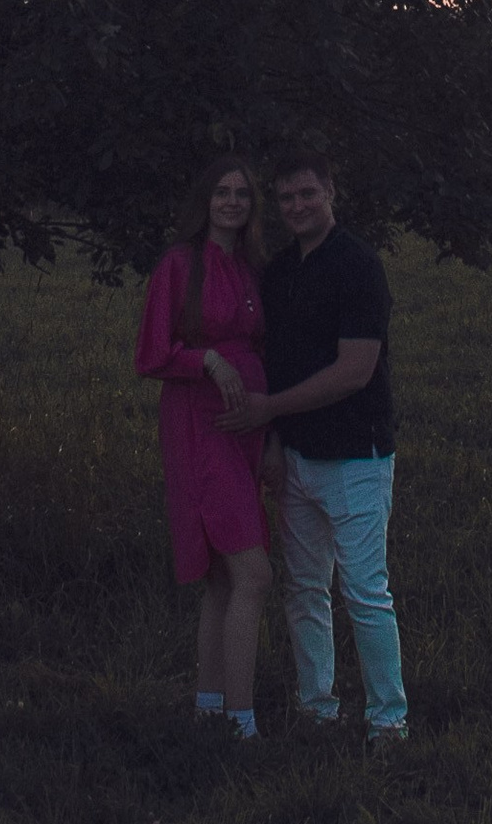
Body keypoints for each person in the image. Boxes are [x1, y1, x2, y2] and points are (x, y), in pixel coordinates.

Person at [222, 147, 407, 745]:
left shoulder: (357, 265)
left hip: (355, 455)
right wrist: (275, 441)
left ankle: (388, 721)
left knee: (365, 592)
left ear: (330, 192)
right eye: (286, 197)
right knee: (304, 589)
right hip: (297, 458)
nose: (298, 205)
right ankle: (317, 708)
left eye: (308, 193)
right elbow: (274, 363)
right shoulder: (279, 272)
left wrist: (270, 410)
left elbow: (355, 370)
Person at [134, 157, 273, 737]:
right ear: (205, 200)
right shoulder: (180, 264)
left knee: (223, 577)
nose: (232, 202)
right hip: (200, 426)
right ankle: (242, 723)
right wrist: (208, 360)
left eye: (242, 193)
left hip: (246, 429)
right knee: (254, 574)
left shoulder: (250, 266)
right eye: (222, 192)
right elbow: (150, 353)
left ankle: (209, 708)